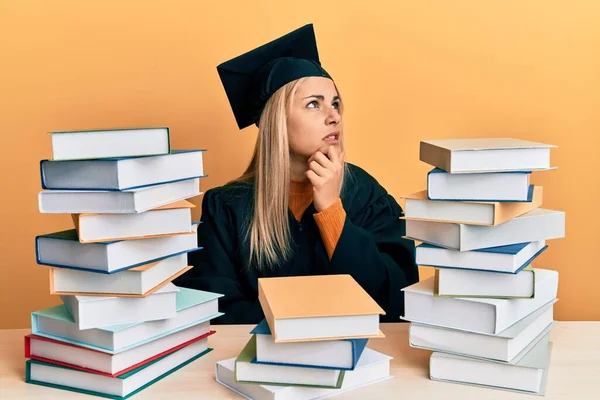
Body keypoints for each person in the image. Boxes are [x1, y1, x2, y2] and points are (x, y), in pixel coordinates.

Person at [174, 24, 418, 324]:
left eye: (336, 103)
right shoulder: (227, 206)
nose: (334, 116)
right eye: (314, 104)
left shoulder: (365, 193)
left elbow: (396, 299)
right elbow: (216, 309)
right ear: (275, 120)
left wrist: (331, 211)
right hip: (260, 360)